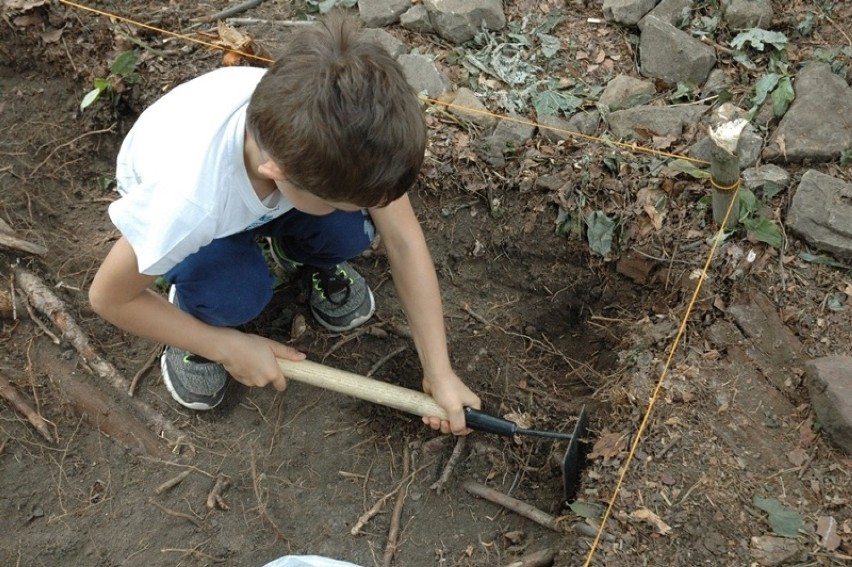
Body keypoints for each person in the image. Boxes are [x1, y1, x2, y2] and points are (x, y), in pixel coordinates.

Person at [88, 12, 480, 434]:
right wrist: (223, 345)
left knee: (351, 229)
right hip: (202, 219)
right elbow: (109, 297)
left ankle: (296, 251)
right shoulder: (187, 204)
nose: (367, 207)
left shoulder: (338, 134)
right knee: (235, 294)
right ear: (278, 172)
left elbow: (401, 238)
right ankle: (192, 318)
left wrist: (439, 373)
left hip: (265, 199)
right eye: (343, 201)